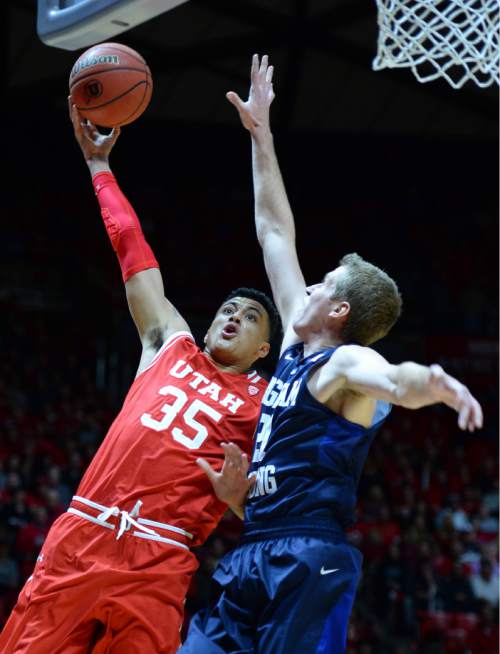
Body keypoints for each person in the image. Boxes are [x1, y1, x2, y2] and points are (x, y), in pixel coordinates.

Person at [179, 54, 483, 654]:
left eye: (321, 284)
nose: (309, 286)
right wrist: (260, 135)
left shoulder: (342, 365)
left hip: (309, 556)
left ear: (339, 311)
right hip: (253, 548)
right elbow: (273, 231)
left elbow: (395, 380)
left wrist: (436, 382)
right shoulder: (296, 343)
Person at [0, 101, 281, 654]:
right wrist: (99, 168)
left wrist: (239, 502)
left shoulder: (267, 399)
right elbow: (132, 249)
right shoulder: (169, 342)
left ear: (264, 349)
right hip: (83, 535)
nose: (233, 317)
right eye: (228, 309)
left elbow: (274, 503)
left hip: (160, 556)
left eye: (250, 318)